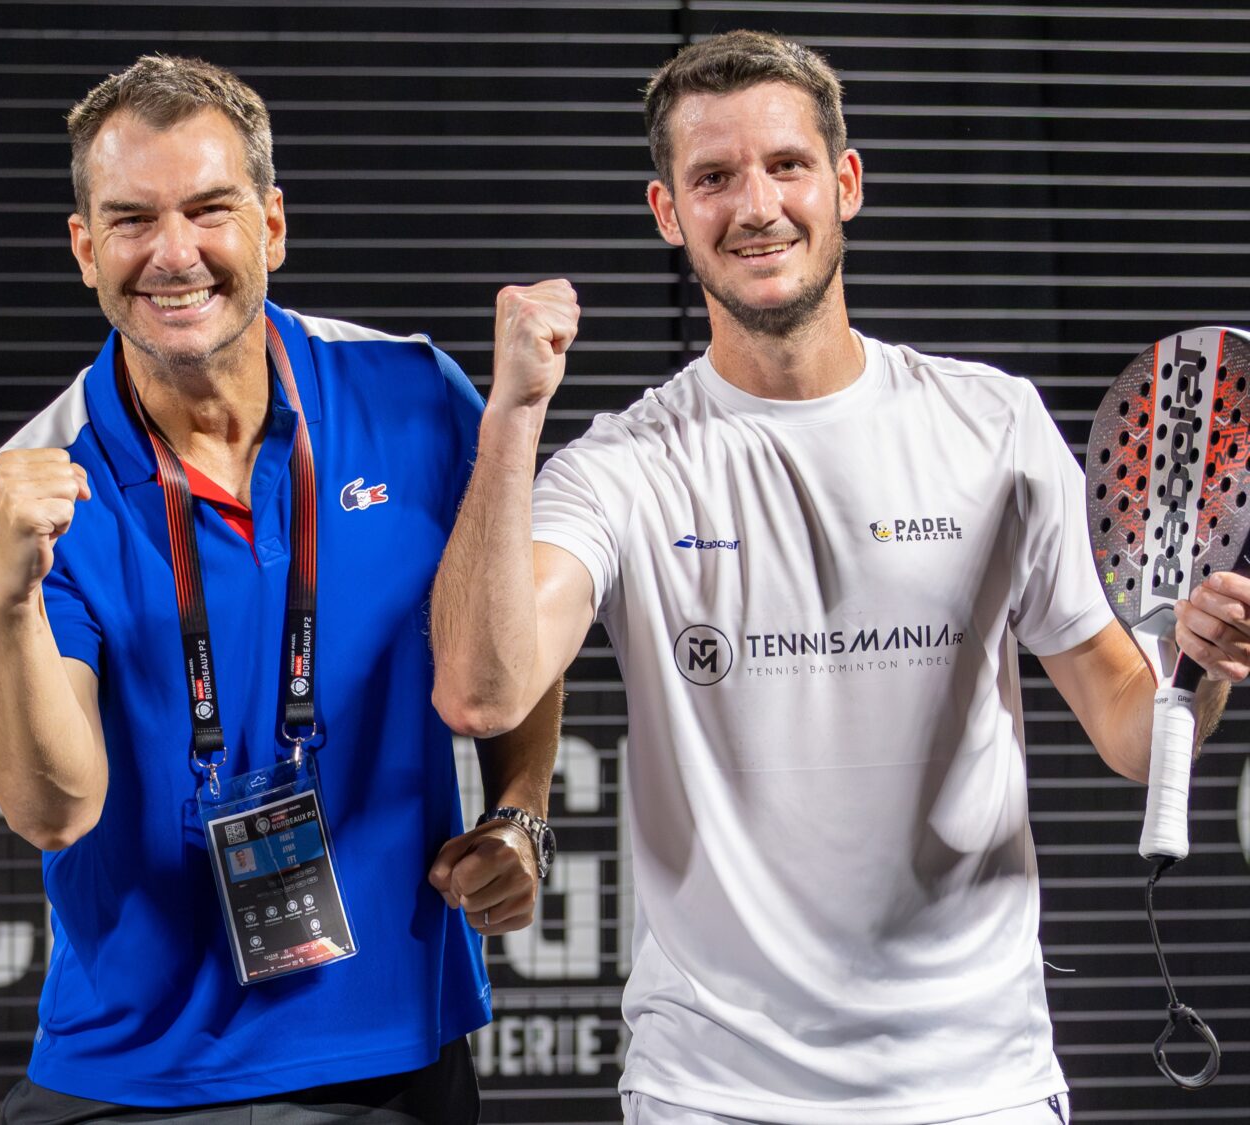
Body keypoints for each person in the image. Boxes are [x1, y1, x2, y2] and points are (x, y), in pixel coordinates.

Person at [429, 30, 1249, 1125]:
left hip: (978, 1085)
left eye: (787, 166)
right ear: (668, 212)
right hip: (711, 1092)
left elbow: (1132, 730)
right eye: (713, 178)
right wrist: (513, 415)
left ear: (845, 183)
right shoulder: (621, 468)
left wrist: (1199, 666)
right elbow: (481, 692)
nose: (756, 206)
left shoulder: (991, 425)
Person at [0, 55, 561, 1123]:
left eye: (209, 209)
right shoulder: (39, 481)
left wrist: (520, 809)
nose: (174, 253)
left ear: (271, 226)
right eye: (131, 219)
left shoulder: (415, 396)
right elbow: (53, 808)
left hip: (397, 1053)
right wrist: (10, 603)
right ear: (85, 248)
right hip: (138, 1077)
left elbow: (509, 627)